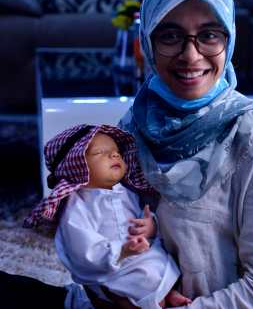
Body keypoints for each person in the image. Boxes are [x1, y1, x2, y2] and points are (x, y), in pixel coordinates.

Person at [117, 0, 253, 308]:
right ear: (147, 42)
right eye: (170, 36)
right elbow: (113, 234)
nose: (191, 55)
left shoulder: (252, 141)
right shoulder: (133, 124)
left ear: (228, 40)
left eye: (209, 35)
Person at [23, 124, 191, 309]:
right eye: (100, 153)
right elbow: (82, 248)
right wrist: (123, 251)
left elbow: (143, 216)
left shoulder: (127, 191)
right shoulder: (77, 204)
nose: (114, 155)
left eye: (116, 151)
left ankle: (167, 293)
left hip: (140, 253)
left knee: (163, 263)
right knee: (141, 279)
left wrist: (151, 226)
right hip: (111, 265)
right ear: (76, 164)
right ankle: (154, 301)